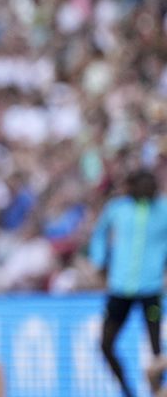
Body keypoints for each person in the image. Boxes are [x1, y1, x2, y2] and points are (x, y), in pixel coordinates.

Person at [90, 169, 167, 397]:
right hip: (120, 288)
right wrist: (100, 261)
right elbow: (99, 234)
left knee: (156, 349)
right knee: (105, 344)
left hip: (150, 290)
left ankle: (159, 392)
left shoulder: (162, 211)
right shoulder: (117, 209)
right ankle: (127, 390)